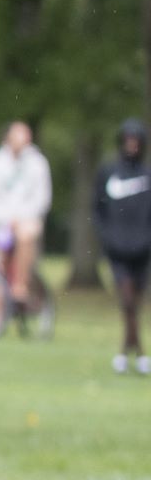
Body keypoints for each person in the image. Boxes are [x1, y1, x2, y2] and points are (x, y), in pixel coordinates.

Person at [0, 120, 51, 340]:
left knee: (25, 235)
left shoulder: (37, 163)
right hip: (2, 222)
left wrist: (22, 218)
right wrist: (5, 219)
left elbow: (42, 197)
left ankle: (20, 287)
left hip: (27, 221)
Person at [94, 118, 150, 375]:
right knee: (127, 301)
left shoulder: (147, 175)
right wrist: (106, 237)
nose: (132, 145)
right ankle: (139, 353)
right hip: (117, 249)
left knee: (134, 304)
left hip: (143, 249)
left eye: (136, 140)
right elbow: (98, 208)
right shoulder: (108, 171)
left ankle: (125, 352)